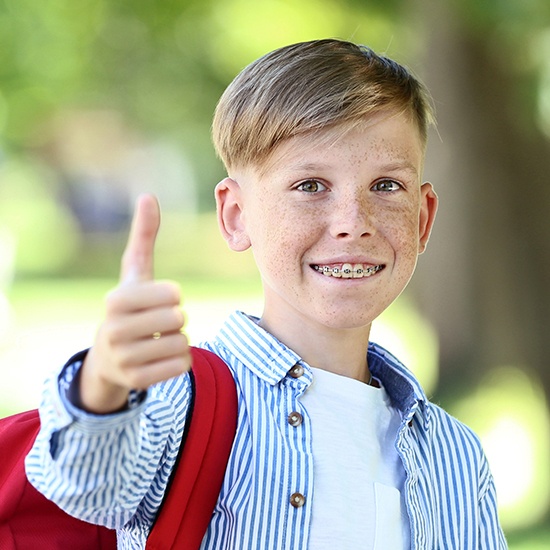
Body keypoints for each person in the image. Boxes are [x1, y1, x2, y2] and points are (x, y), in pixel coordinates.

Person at [26, 39, 507, 549]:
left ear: (424, 217)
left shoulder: (456, 457)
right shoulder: (179, 402)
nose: (353, 224)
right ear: (236, 215)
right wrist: (102, 387)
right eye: (310, 186)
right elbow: (83, 487)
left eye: (386, 186)